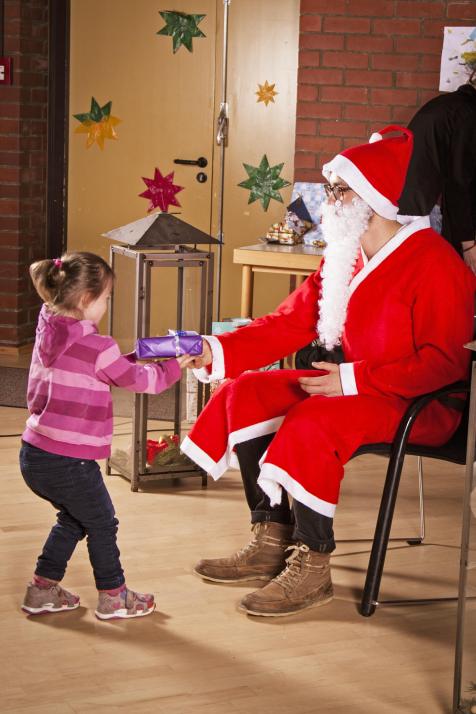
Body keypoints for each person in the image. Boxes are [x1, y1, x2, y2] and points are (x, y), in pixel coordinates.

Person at [181, 125, 475, 618]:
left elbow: (445, 363)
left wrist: (350, 380)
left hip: (423, 403)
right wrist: (214, 349)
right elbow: (289, 322)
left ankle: (313, 565)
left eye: (340, 190)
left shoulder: (437, 264)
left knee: (314, 419)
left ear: (378, 197)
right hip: (361, 388)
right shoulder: (344, 255)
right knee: (246, 391)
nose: (328, 200)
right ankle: (272, 536)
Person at [20, 252, 193, 620]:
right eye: (106, 297)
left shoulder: (48, 331)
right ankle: (114, 596)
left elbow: (99, 370)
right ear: (86, 300)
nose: (107, 304)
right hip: (71, 461)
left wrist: (127, 358)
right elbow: (145, 381)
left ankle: (42, 590)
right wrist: (174, 365)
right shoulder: (99, 348)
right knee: (102, 522)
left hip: (34, 454)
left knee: (74, 518)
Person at [398, 72, 476, 273]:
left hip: (405, 207)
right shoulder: (468, 114)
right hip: (426, 211)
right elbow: (459, 182)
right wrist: (468, 244)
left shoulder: (446, 105)